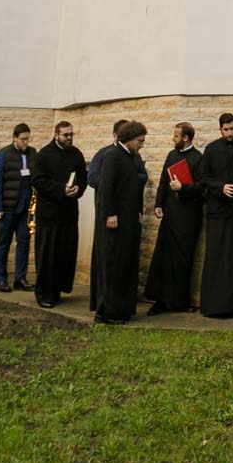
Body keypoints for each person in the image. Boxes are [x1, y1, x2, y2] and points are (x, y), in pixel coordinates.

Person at [90, 121, 148, 324]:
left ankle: (122, 309)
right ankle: (106, 312)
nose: (141, 145)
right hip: (114, 221)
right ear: (129, 139)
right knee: (112, 266)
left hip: (128, 220)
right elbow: (106, 188)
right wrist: (110, 214)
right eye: (139, 141)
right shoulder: (113, 156)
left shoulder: (130, 157)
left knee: (125, 265)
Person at [198, 113, 233, 317]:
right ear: (220, 130)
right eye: (226, 130)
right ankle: (214, 305)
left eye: (232, 129)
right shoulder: (211, 149)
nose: (230, 133)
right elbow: (203, 177)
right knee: (216, 257)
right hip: (218, 213)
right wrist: (220, 187)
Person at [144, 122, 203, 315]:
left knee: (181, 261)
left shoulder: (198, 159)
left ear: (186, 138)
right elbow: (163, 181)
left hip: (187, 218)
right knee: (163, 257)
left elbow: (203, 187)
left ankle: (178, 302)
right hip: (170, 214)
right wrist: (159, 204)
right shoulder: (171, 155)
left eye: (176, 136)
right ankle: (160, 300)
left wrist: (183, 188)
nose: (173, 138)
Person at [30, 119, 89, 308]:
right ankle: (44, 293)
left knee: (64, 255)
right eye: (66, 135)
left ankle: (57, 291)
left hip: (68, 214)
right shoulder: (44, 155)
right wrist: (60, 189)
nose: (69, 138)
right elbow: (38, 180)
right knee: (48, 255)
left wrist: (77, 189)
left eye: (71, 134)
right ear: (56, 135)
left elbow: (83, 177)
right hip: (49, 215)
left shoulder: (76, 154)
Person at [0, 123, 36, 293]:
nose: (25, 142)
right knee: (3, 243)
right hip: (8, 206)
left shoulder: (32, 153)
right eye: (23, 139)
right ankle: (1, 279)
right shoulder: (4, 154)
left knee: (24, 242)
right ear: (14, 138)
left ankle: (20, 278)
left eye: (27, 139)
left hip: (25, 206)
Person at [87, 121, 130, 190]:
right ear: (114, 135)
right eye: (123, 135)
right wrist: (112, 182)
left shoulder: (134, 154)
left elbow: (143, 175)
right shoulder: (103, 153)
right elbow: (92, 178)